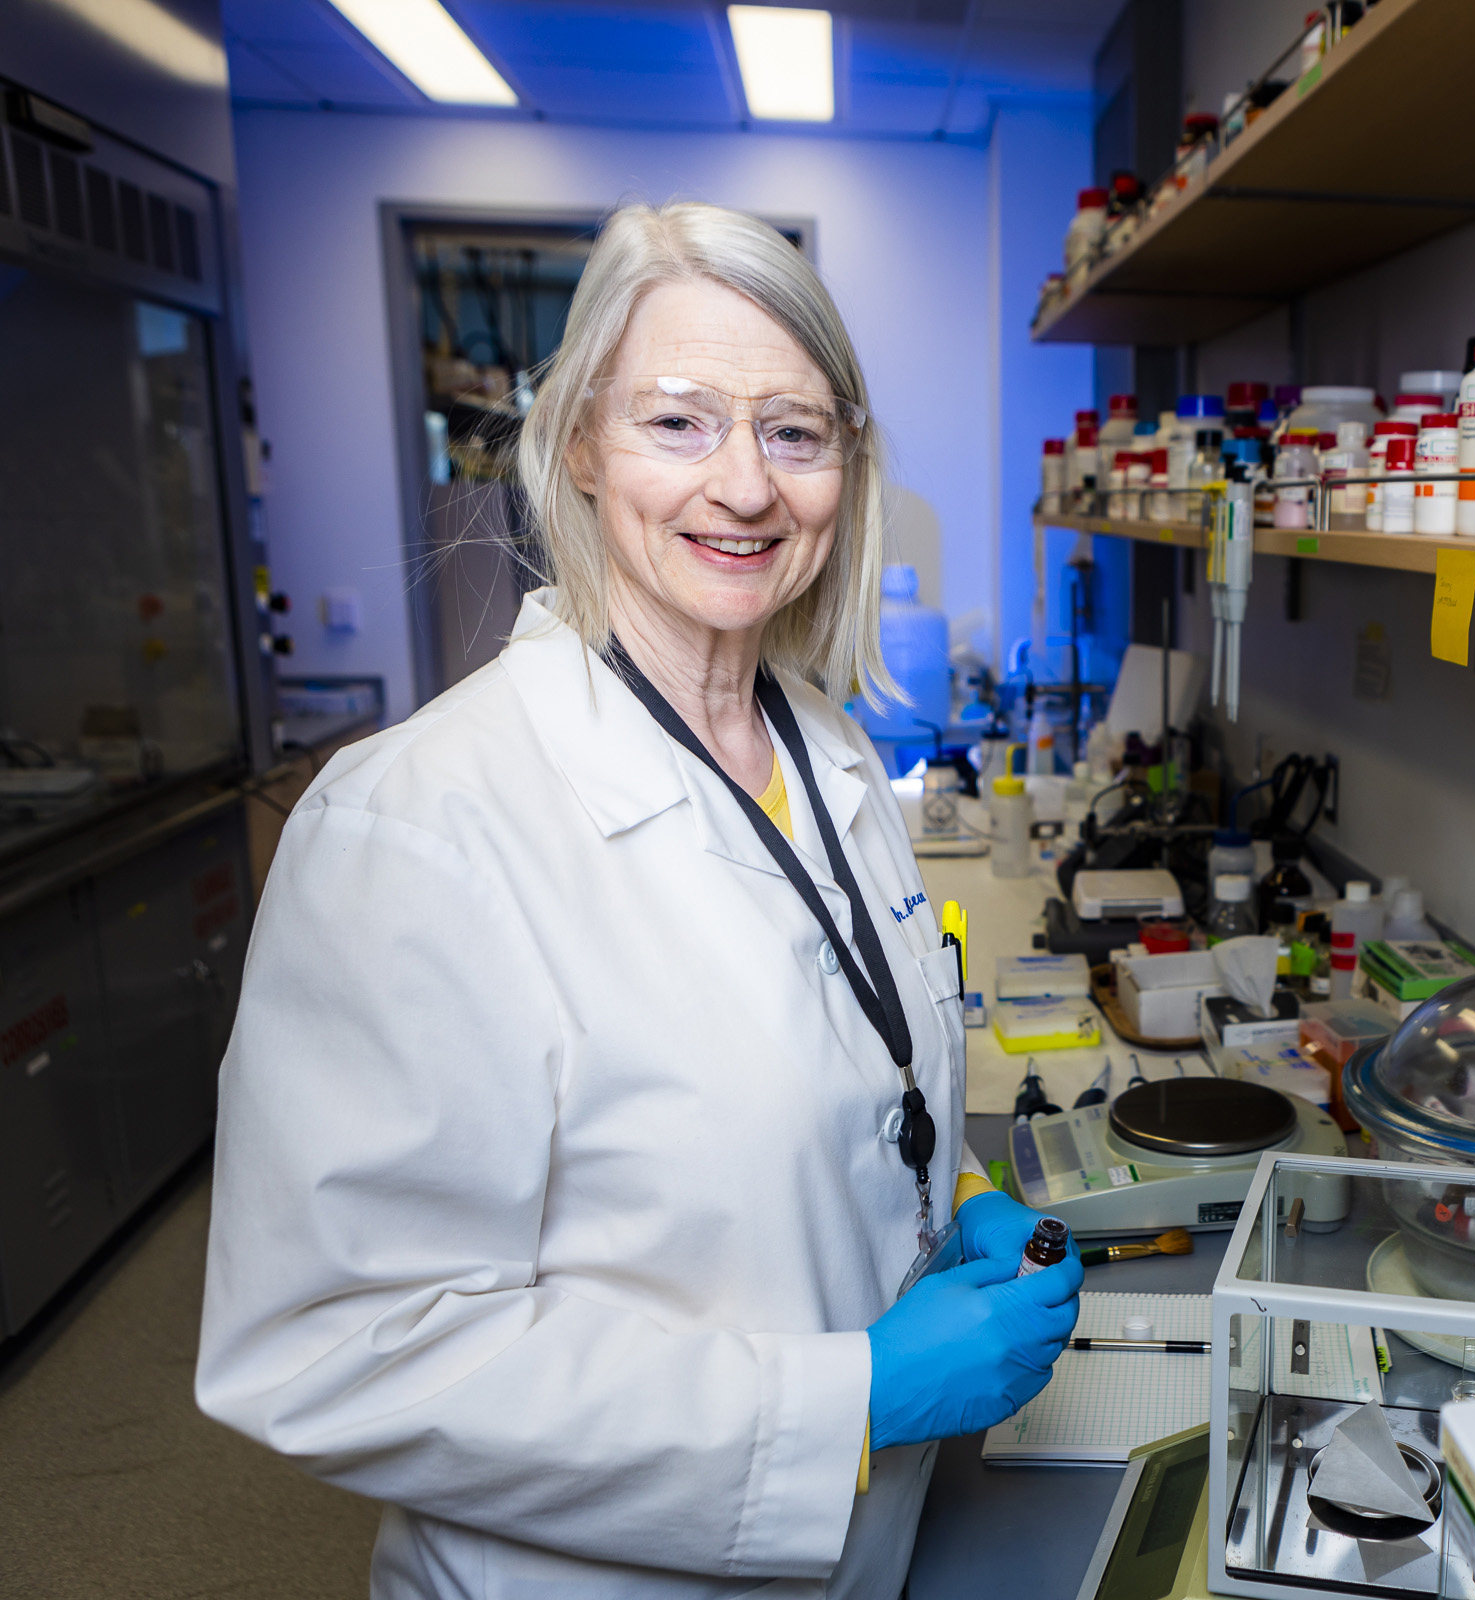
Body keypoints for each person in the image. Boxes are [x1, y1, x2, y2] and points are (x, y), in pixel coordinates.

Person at [195, 201, 1082, 1600]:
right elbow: (340, 1344)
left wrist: (943, 1194)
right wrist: (842, 1402)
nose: (744, 485)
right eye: (679, 421)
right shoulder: (420, 825)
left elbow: (823, 1084)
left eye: (794, 431)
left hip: (876, 1551)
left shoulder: (833, 749)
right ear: (579, 448)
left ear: (846, 466)